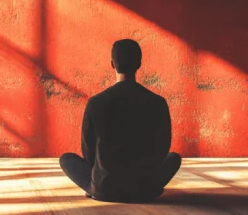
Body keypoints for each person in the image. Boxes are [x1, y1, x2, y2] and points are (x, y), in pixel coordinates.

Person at [59, 39, 181, 203]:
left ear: (112, 64)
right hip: (145, 188)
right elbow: (163, 148)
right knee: (174, 158)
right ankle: (148, 187)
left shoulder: (96, 102)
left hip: (105, 189)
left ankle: (94, 190)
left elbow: (88, 153)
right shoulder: (157, 102)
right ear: (139, 64)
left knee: (66, 159)